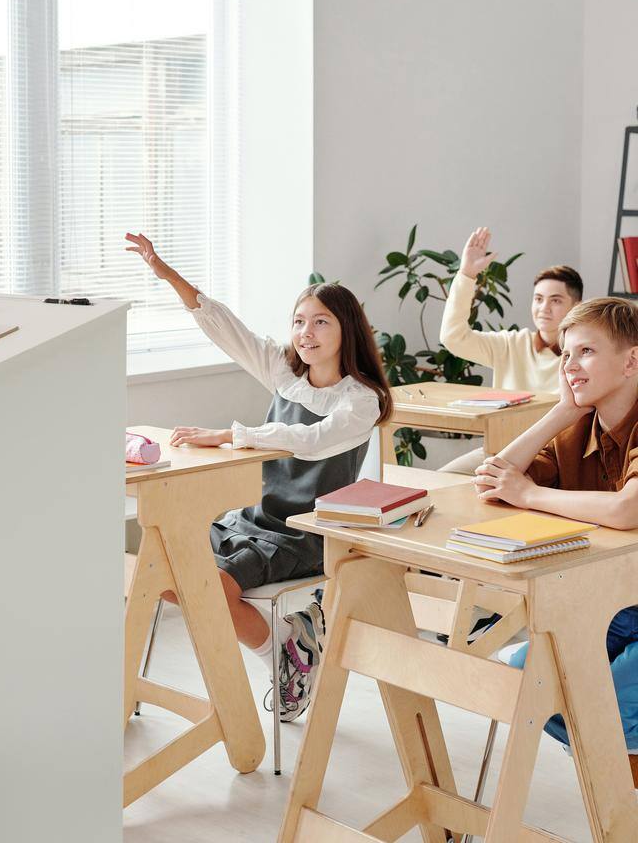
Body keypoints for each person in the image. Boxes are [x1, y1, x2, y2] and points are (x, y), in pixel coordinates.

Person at [126, 232, 393, 720]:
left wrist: (230, 435)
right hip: (254, 518)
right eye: (298, 322)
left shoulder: (360, 400)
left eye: (320, 322)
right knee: (160, 569)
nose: (305, 333)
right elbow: (226, 328)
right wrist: (168, 276)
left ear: (346, 330)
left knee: (214, 588)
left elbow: (312, 441)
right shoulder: (287, 375)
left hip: (306, 532)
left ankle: (283, 656)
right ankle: (290, 643)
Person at [474, 297, 638, 759]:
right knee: (525, 683)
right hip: (613, 604)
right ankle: (613, 767)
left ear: (631, 360)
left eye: (585, 352)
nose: (570, 365)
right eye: (565, 354)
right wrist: (561, 412)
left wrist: (530, 496)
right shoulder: (578, 426)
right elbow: (493, 480)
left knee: (604, 709)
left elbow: (629, 510)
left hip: (625, 601)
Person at [439, 226, 583, 473]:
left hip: (556, 455)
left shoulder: (586, 353)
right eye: (538, 299)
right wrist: (467, 274)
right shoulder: (511, 344)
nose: (544, 308)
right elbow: (453, 337)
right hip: (500, 450)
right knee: (443, 479)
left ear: (576, 305)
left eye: (555, 300)